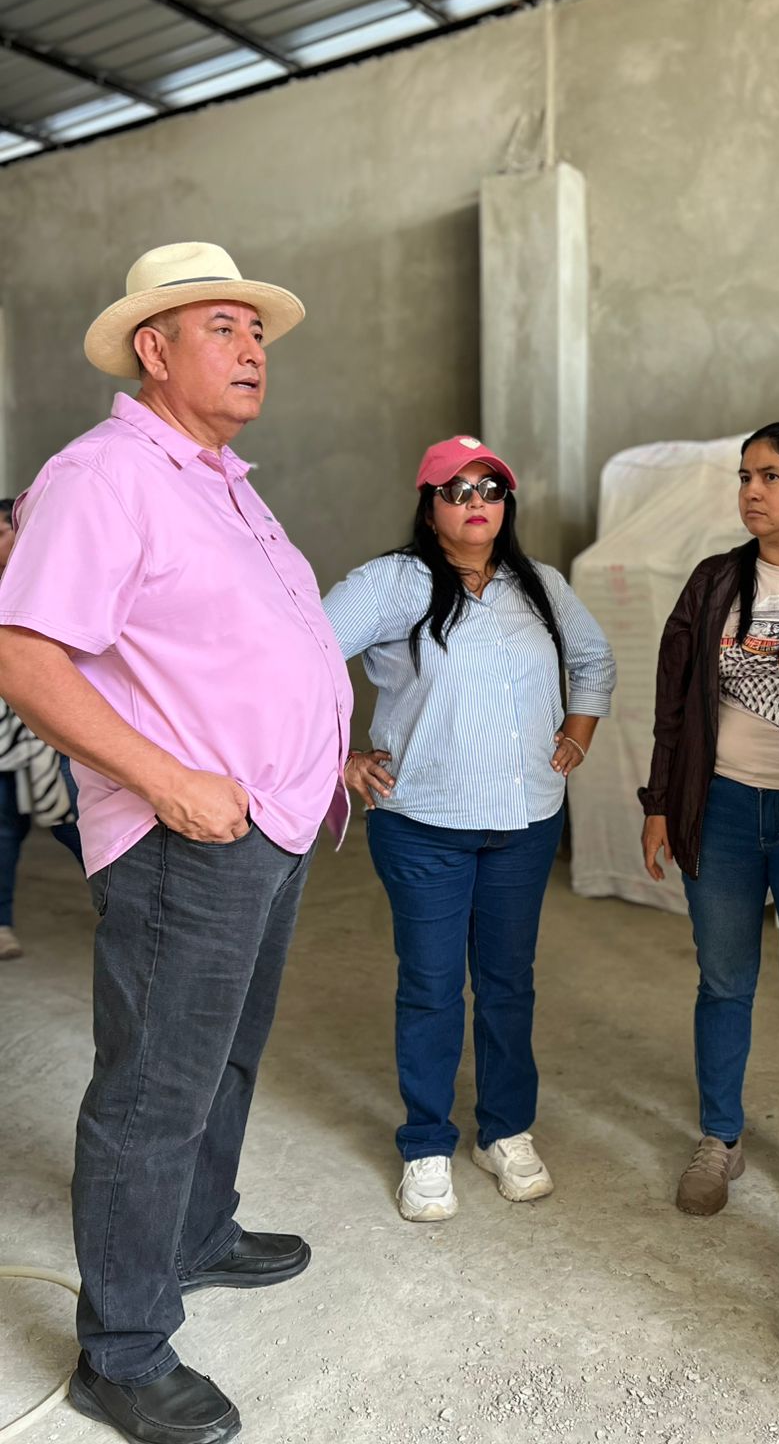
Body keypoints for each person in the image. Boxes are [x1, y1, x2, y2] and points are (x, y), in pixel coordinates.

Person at [0, 242, 352, 1444]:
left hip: (266, 824)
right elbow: (24, 657)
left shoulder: (221, 480)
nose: (253, 349)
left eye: (256, 331)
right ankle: (123, 1350)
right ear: (153, 349)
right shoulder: (103, 476)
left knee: (226, 1058)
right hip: (183, 835)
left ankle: (198, 1233)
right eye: (222, 327)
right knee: (153, 1090)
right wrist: (173, 784)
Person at [323, 435, 615, 1224]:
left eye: (490, 489)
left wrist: (577, 732)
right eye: (456, 490)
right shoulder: (392, 583)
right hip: (425, 826)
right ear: (429, 507)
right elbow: (297, 658)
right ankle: (426, 1143)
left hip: (526, 823)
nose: (476, 502)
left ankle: (504, 1131)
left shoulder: (540, 585)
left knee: (508, 984)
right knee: (430, 986)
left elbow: (594, 661)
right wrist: (338, 760)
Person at [640, 423, 779, 1244]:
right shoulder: (716, 581)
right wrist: (660, 802)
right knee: (724, 981)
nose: (752, 492)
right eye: (744, 477)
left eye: (771, 476)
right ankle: (720, 1138)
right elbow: (674, 702)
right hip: (724, 808)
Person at [0, 500, 86, 959]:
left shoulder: (50, 583)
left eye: (1, 533)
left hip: (54, 734)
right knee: (3, 830)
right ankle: (0, 925)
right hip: (5, 741)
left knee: (76, 826)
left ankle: (131, 912)